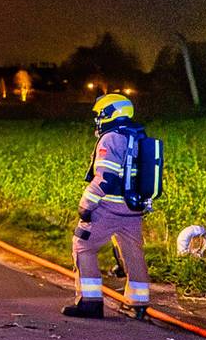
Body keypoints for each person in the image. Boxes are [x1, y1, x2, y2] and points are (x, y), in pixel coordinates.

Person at [64, 94, 150, 320]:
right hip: (134, 208)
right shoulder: (138, 135)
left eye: (101, 114)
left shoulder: (111, 138)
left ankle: (90, 303)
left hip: (109, 208)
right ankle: (138, 303)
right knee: (132, 251)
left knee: (83, 245)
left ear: (111, 113)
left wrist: (86, 203)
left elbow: (105, 178)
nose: (98, 119)